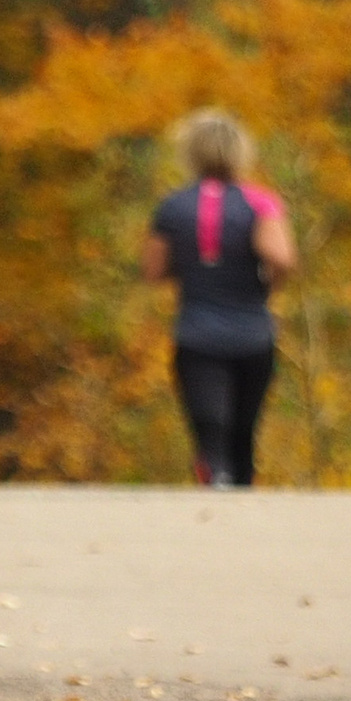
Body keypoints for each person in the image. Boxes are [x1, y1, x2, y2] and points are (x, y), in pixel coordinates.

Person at [142, 108, 297, 487]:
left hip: (196, 334)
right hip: (254, 334)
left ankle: (217, 479)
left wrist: (193, 267)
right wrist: (267, 283)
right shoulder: (262, 204)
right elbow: (282, 257)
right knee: (244, 431)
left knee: (210, 429)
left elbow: (153, 270)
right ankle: (239, 492)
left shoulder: (173, 207)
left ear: (190, 153)